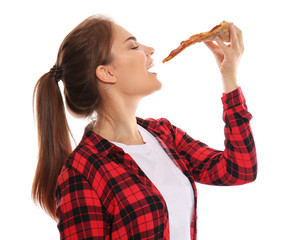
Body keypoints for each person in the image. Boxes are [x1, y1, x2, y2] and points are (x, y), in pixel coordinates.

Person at [32, 14, 257, 240]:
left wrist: (229, 78)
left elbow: (240, 169)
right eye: (133, 46)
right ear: (107, 73)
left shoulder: (163, 134)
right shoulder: (81, 173)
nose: (149, 50)